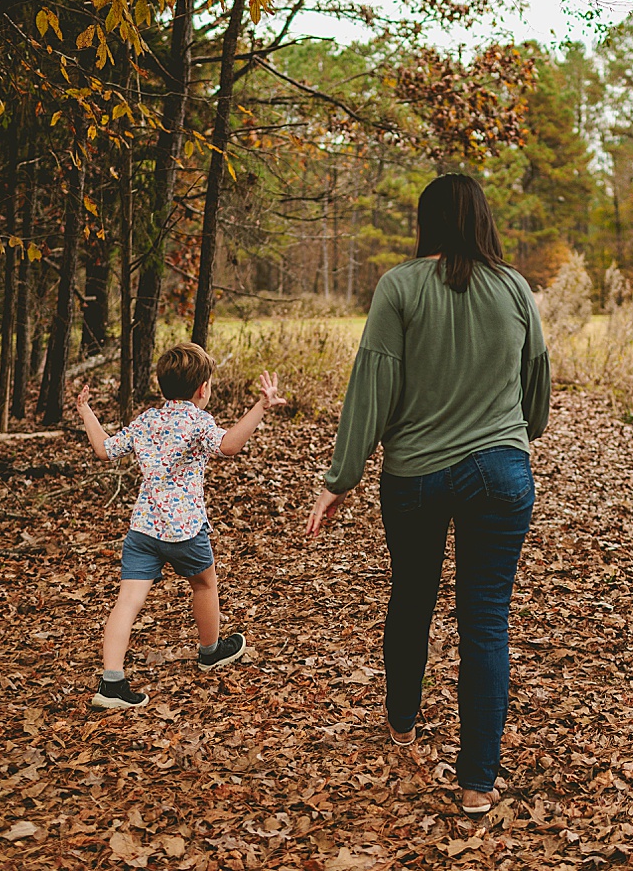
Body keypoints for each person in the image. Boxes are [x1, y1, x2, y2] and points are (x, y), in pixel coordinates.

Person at [305, 173, 550, 816]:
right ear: (482, 218)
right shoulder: (515, 289)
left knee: (412, 594)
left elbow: (373, 383)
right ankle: (477, 782)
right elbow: (537, 381)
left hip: (414, 474)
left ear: (428, 221)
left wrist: (342, 476)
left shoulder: (401, 286)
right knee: (485, 620)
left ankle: (401, 720)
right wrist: (515, 439)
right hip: (501, 471)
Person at [75, 344, 286, 708]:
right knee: (204, 584)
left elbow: (104, 449)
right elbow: (230, 445)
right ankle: (210, 650)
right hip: (185, 531)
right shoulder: (197, 422)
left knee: (127, 602)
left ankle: (111, 683)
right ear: (203, 388)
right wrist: (260, 407)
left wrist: (85, 410)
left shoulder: (146, 420)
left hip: (143, 530)